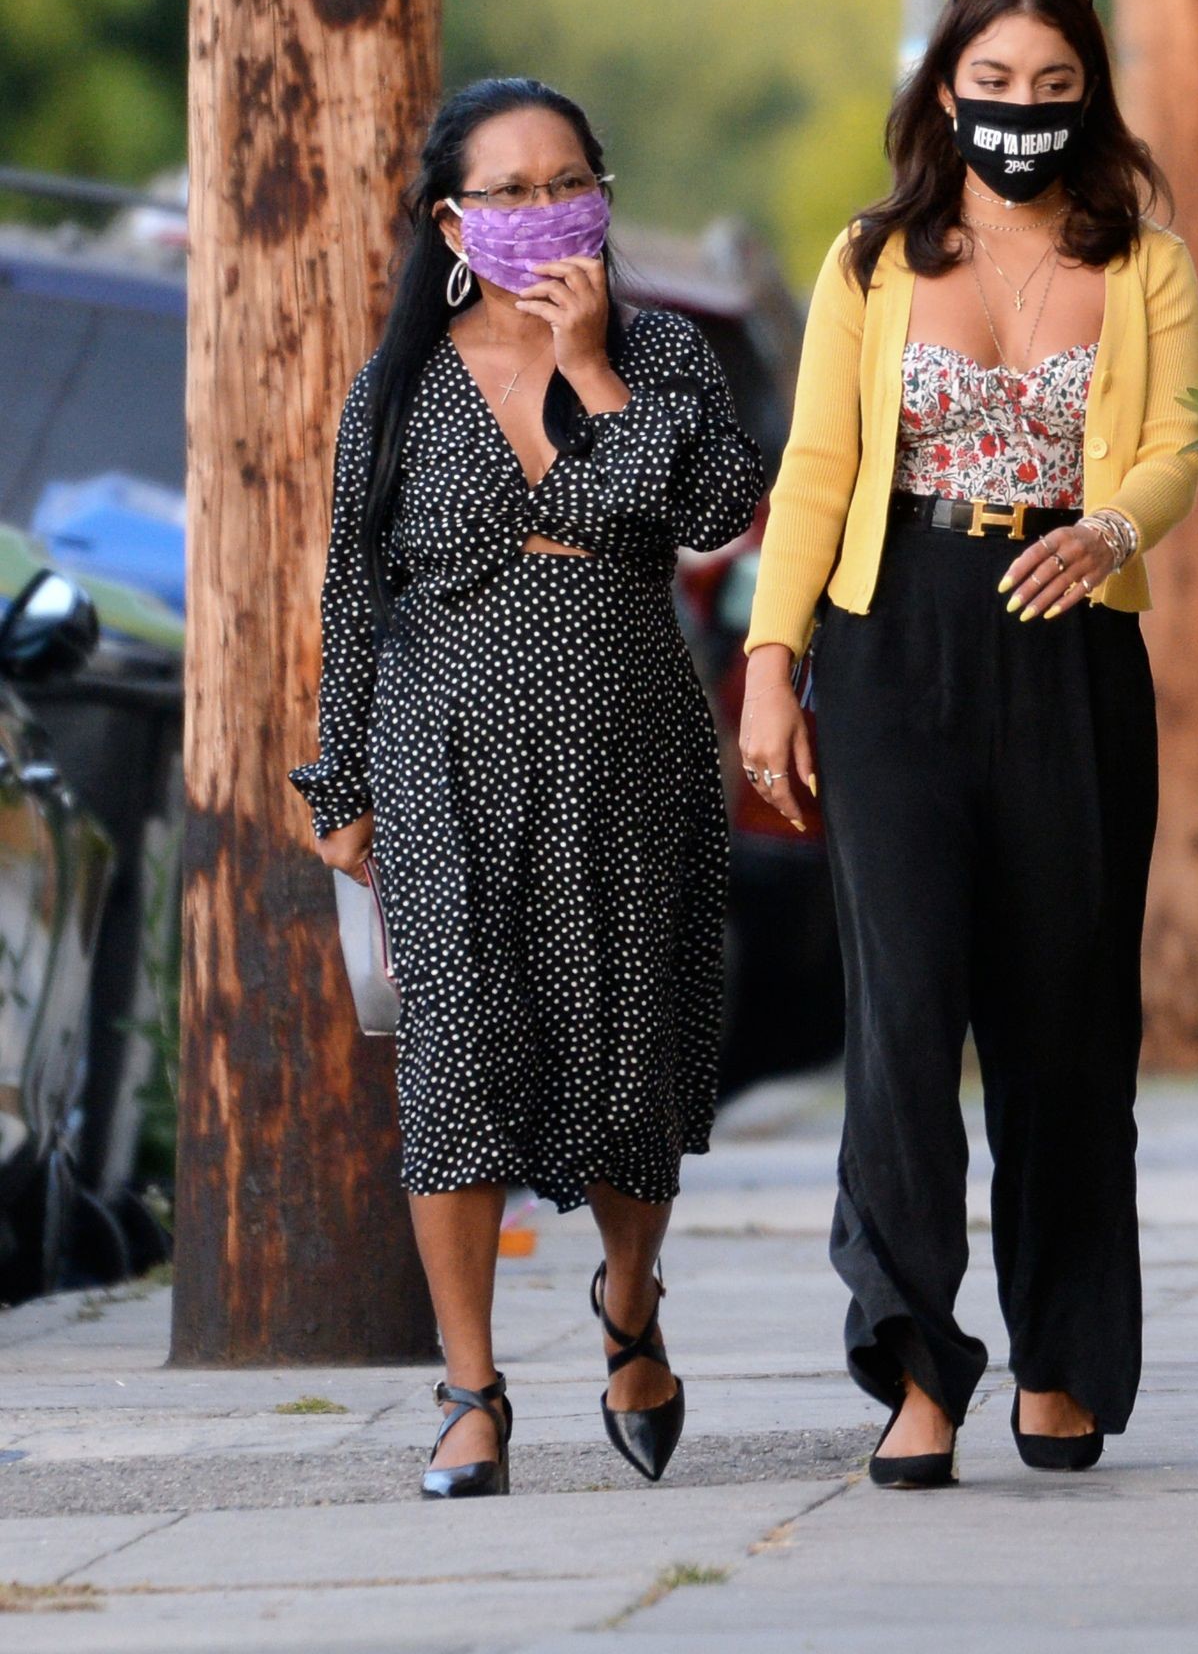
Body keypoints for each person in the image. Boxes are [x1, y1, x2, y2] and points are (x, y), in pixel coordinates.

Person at [739, 0, 1198, 1488]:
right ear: (945, 90)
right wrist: (771, 664)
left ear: (1088, 98)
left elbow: (1177, 442)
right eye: (993, 84)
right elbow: (817, 467)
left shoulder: (1142, 261)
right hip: (894, 650)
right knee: (901, 1025)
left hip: (1070, 648)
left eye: (1052, 88)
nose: (1020, 111)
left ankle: (1059, 1359)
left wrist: (1115, 528)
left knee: (1065, 1027)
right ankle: (912, 1367)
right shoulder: (871, 259)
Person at [288, 76, 765, 1498]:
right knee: (455, 1063)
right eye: (509, 191)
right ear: (452, 222)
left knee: (631, 1059)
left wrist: (594, 365)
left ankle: (630, 1306)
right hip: (443, 760)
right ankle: (469, 1389)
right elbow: (352, 594)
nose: (544, 210)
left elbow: (713, 514)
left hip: (629, 755)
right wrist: (342, 780)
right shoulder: (396, 385)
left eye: (568, 183)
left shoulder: (662, 352)